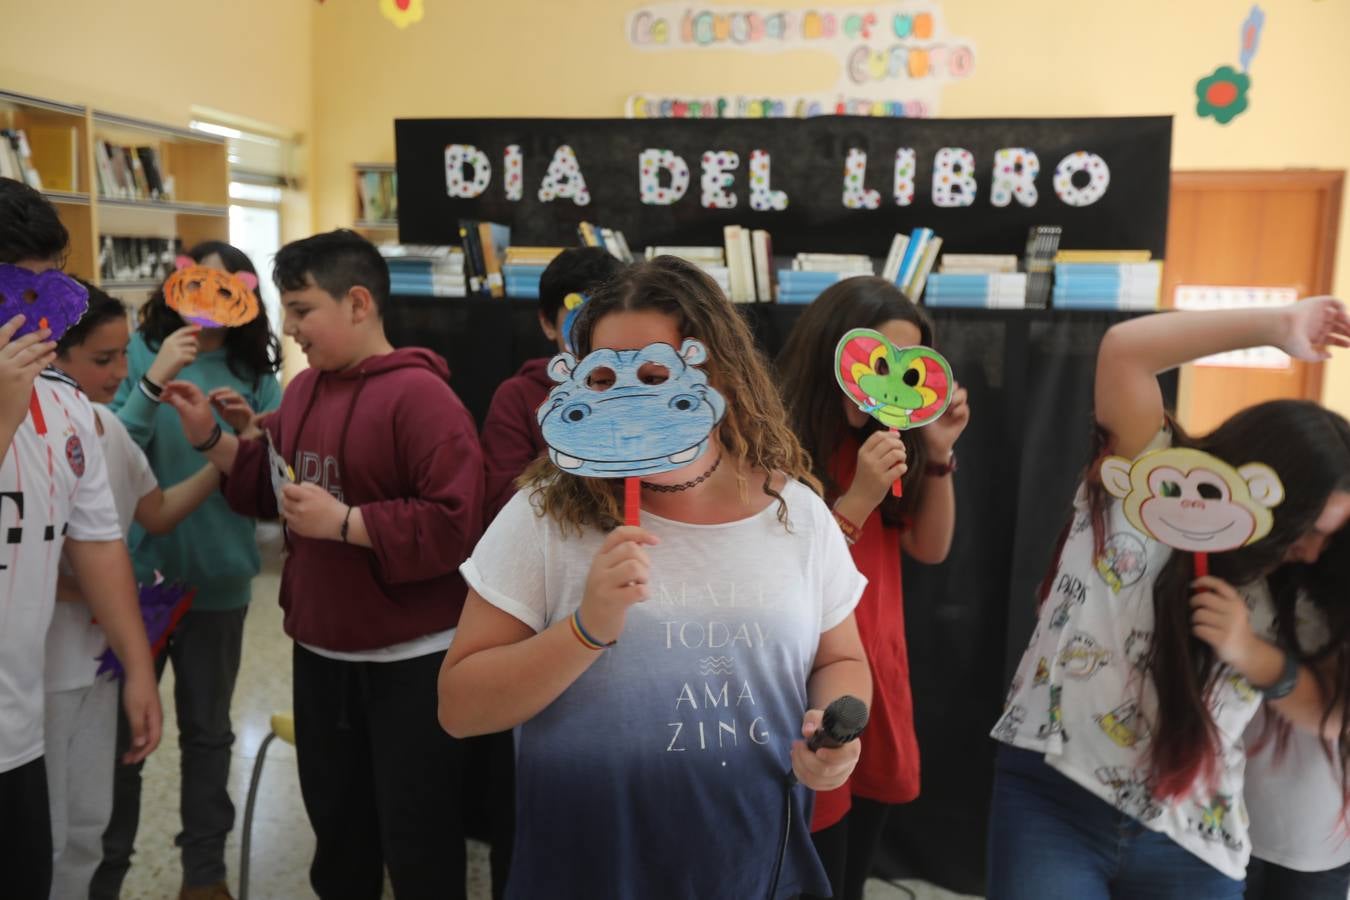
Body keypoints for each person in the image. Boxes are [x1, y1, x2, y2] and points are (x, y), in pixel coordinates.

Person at [438, 255, 872, 900]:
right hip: (587, 866)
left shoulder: (797, 513)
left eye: (652, 373)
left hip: (750, 865)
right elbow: (460, 707)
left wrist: (831, 741)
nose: (629, 399)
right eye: (607, 377)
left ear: (717, 371)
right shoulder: (545, 515)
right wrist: (585, 630)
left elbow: (841, 658)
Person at [987, 296, 1350, 897]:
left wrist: (1249, 651)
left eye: (1330, 537)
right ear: (1267, 491)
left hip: (1193, 830)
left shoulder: (1299, 585)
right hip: (1054, 793)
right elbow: (1126, 352)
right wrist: (1276, 326)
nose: (1312, 550)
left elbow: (1330, 709)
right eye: (1308, 529)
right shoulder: (1151, 485)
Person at [161, 229, 484, 900]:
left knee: (418, 838)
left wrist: (346, 523)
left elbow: (457, 524)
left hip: (410, 662)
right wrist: (213, 440)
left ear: (359, 303)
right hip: (321, 652)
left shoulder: (425, 400)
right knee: (338, 837)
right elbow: (268, 488)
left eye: (303, 309)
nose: (290, 327)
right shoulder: (304, 391)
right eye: (286, 308)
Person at [96, 242, 282, 900]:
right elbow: (109, 451)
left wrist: (248, 436)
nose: (207, 304)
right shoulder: (139, 353)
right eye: (193, 286)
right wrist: (152, 380)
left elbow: (271, 469)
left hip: (219, 578)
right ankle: (105, 869)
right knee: (122, 737)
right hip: (135, 581)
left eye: (222, 290)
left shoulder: (252, 366)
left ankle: (203, 874)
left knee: (208, 733)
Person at [777, 276, 969, 900]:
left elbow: (929, 547)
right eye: (878, 362)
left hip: (878, 681)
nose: (890, 384)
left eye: (908, 370)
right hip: (807, 686)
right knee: (811, 870)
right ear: (836, 353)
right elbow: (790, 578)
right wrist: (855, 498)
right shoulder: (779, 447)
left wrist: (936, 454)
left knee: (850, 874)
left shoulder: (895, 445)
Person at [0, 176, 161, 899]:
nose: (37, 323)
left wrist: (137, 668)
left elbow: (98, 544)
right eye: (15, 296)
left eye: (49, 296)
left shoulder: (68, 411)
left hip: (17, 726)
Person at [44, 282, 220, 900]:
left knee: (89, 824)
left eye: (125, 357)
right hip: (42, 665)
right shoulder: (31, 434)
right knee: (49, 828)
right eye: (103, 360)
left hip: (103, 660)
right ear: (51, 355)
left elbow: (158, 511)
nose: (122, 373)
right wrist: (98, 591)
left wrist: (228, 457)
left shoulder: (106, 429)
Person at [473, 245, 624, 897]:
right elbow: (506, 503)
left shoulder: (647, 386)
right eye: (575, 316)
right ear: (546, 325)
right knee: (534, 797)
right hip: (543, 626)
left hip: (634, 626)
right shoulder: (520, 396)